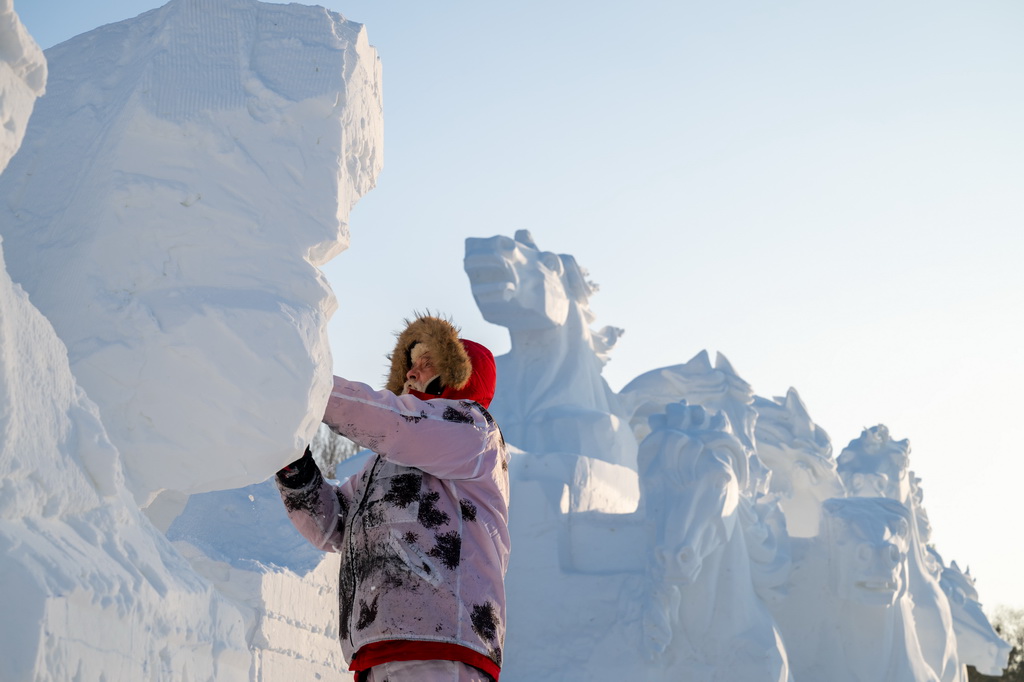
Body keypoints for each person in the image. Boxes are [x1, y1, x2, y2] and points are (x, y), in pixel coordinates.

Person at [276, 314, 510, 682]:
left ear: (458, 373)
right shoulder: (382, 468)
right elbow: (332, 527)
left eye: (426, 363)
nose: (411, 374)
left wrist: (306, 388)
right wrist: (293, 463)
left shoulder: (473, 430)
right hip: (377, 653)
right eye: (410, 365)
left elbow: (395, 423)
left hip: (443, 647)